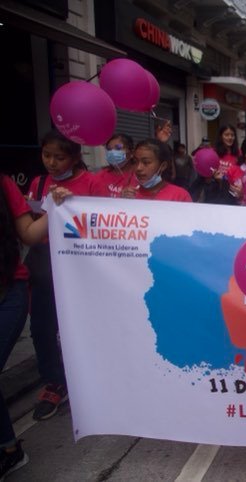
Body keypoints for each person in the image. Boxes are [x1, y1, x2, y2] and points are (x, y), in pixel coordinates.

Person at [25, 130, 107, 421]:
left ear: (74, 157)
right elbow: (33, 222)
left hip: (80, 262)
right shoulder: (39, 183)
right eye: (47, 155)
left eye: (59, 157)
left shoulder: (91, 183)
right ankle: (54, 381)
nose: (52, 162)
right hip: (46, 263)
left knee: (83, 323)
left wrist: (72, 207)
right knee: (43, 326)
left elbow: (104, 223)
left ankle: (91, 377)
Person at [0, 175, 51, 478]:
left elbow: (29, 234)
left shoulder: (3, 183)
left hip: (8, 292)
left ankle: (9, 449)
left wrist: (57, 208)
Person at [121, 139, 192, 202]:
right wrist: (123, 202)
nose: (138, 168)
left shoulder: (180, 196)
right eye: (135, 162)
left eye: (146, 162)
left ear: (163, 166)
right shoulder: (128, 195)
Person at [95, 133, 139, 198]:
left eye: (118, 148)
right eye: (109, 149)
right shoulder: (100, 175)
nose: (112, 152)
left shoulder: (140, 176)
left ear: (131, 153)